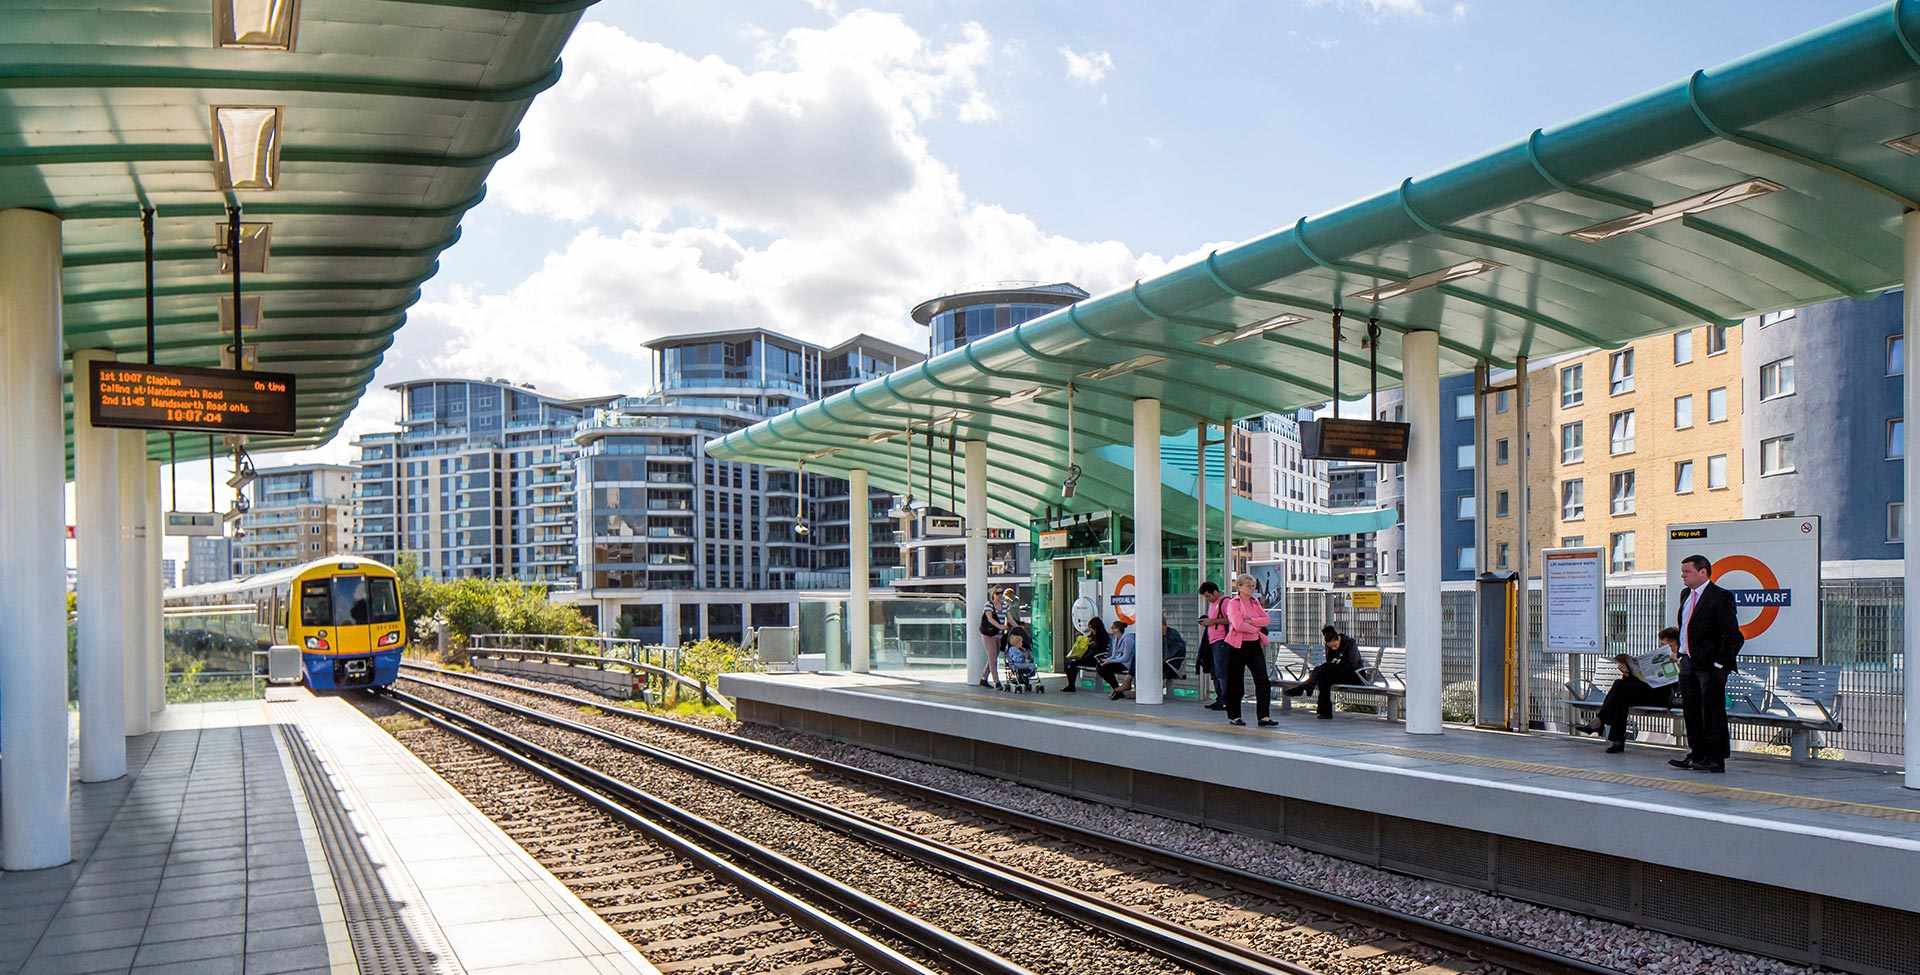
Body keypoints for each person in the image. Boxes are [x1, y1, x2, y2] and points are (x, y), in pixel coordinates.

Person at [1670, 554, 1744, 773]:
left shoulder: (1720, 597)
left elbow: (1733, 635)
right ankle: (1697, 754)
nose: (1683, 576)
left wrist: (1720, 663)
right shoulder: (1685, 594)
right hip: (1688, 662)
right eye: (1682, 572)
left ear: (1703, 572)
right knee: (1691, 711)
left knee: (1711, 711)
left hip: (1710, 665)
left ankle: (1715, 758)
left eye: (1687, 572)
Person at [1577, 628, 1681, 753]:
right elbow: (1645, 681)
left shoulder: (1683, 657)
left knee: (1619, 689)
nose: (1665, 645)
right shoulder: (1659, 656)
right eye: (1662, 643)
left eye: (1669, 642)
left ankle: (1603, 725)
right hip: (1649, 692)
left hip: (1664, 696)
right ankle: (1615, 738)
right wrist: (1628, 672)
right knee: (1621, 692)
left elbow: (1678, 683)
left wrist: (1677, 664)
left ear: (1677, 642)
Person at [1221, 575, 1277, 727]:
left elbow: (1266, 619)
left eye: (1253, 586)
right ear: (1239, 587)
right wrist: (1255, 628)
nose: (1251, 588)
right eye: (1248, 586)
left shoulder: (1255, 602)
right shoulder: (1233, 603)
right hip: (1236, 646)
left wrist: (1250, 622)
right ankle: (1235, 716)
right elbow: (1238, 625)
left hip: (1254, 645)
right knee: (1235, 682)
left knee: (1263, 680)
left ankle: (1264, 716)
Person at [1284, 624, 1364, 719]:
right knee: (1323, 678)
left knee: (1323, 669)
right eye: (1330, 647)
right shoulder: (1329, 646)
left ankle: (1304, 687)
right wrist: (1334, 664)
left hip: (1355, 675)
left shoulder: (1350, 643)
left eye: (1335, 645)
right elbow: (1330, 662)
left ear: (1338, 638)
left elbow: (1353, 664)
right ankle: (1325, 712)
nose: (1333, 648)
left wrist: (1336, 665)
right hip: (1338, 674)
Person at [1196, 582, 1232, 710]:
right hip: (1212, 641)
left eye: (1208, 596)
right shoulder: (1212, 604)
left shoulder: (1226, 602)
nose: (1208, 599)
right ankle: (1220, 699)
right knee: (1215, 672)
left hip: (1221, 641)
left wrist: (1212, 621)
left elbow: (1231, 620)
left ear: (1215, 592)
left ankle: (1227, 700)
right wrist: (1206, 621)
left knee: (1222, 672)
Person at [1061, 616, 1109, 692]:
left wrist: (1082, 656)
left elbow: (1096, 651)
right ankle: (1071, 685)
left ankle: (1071, 686)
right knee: (1069, 663)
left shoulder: (1102, 637)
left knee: (1072, 664)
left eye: (1091, 627)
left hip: (1096, 659)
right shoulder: (1093, 636)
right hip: (1089, 657)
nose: (1090, 629)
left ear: (1095, 627)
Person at [977, 590, 1008, 688]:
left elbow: (1009, 618)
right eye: (997, 593)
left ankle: (983, 679)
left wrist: (1018, 627)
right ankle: (997, 682)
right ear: (993, 594)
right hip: (988, 635)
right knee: (993, 658)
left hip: (999, 635)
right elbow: (990, 618)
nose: (1000, 595)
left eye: (1001, 593)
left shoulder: (1004, 605)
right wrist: (1000, 626)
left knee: (992, 658)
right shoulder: (989, 605)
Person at [1098, 620, 1135, 699]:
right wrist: (1106, 660)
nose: (1111, 630)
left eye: (1113, 628)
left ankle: (1117, 690)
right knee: (1100, 666)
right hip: (1119, 661)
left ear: (1118, 629)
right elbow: (1114, 655)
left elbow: (1126, 658)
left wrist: (1109, 661)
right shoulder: (1115, 639)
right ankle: (1116, 688)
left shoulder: (1128, 639)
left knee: (1105, 667)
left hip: (1126, 664)